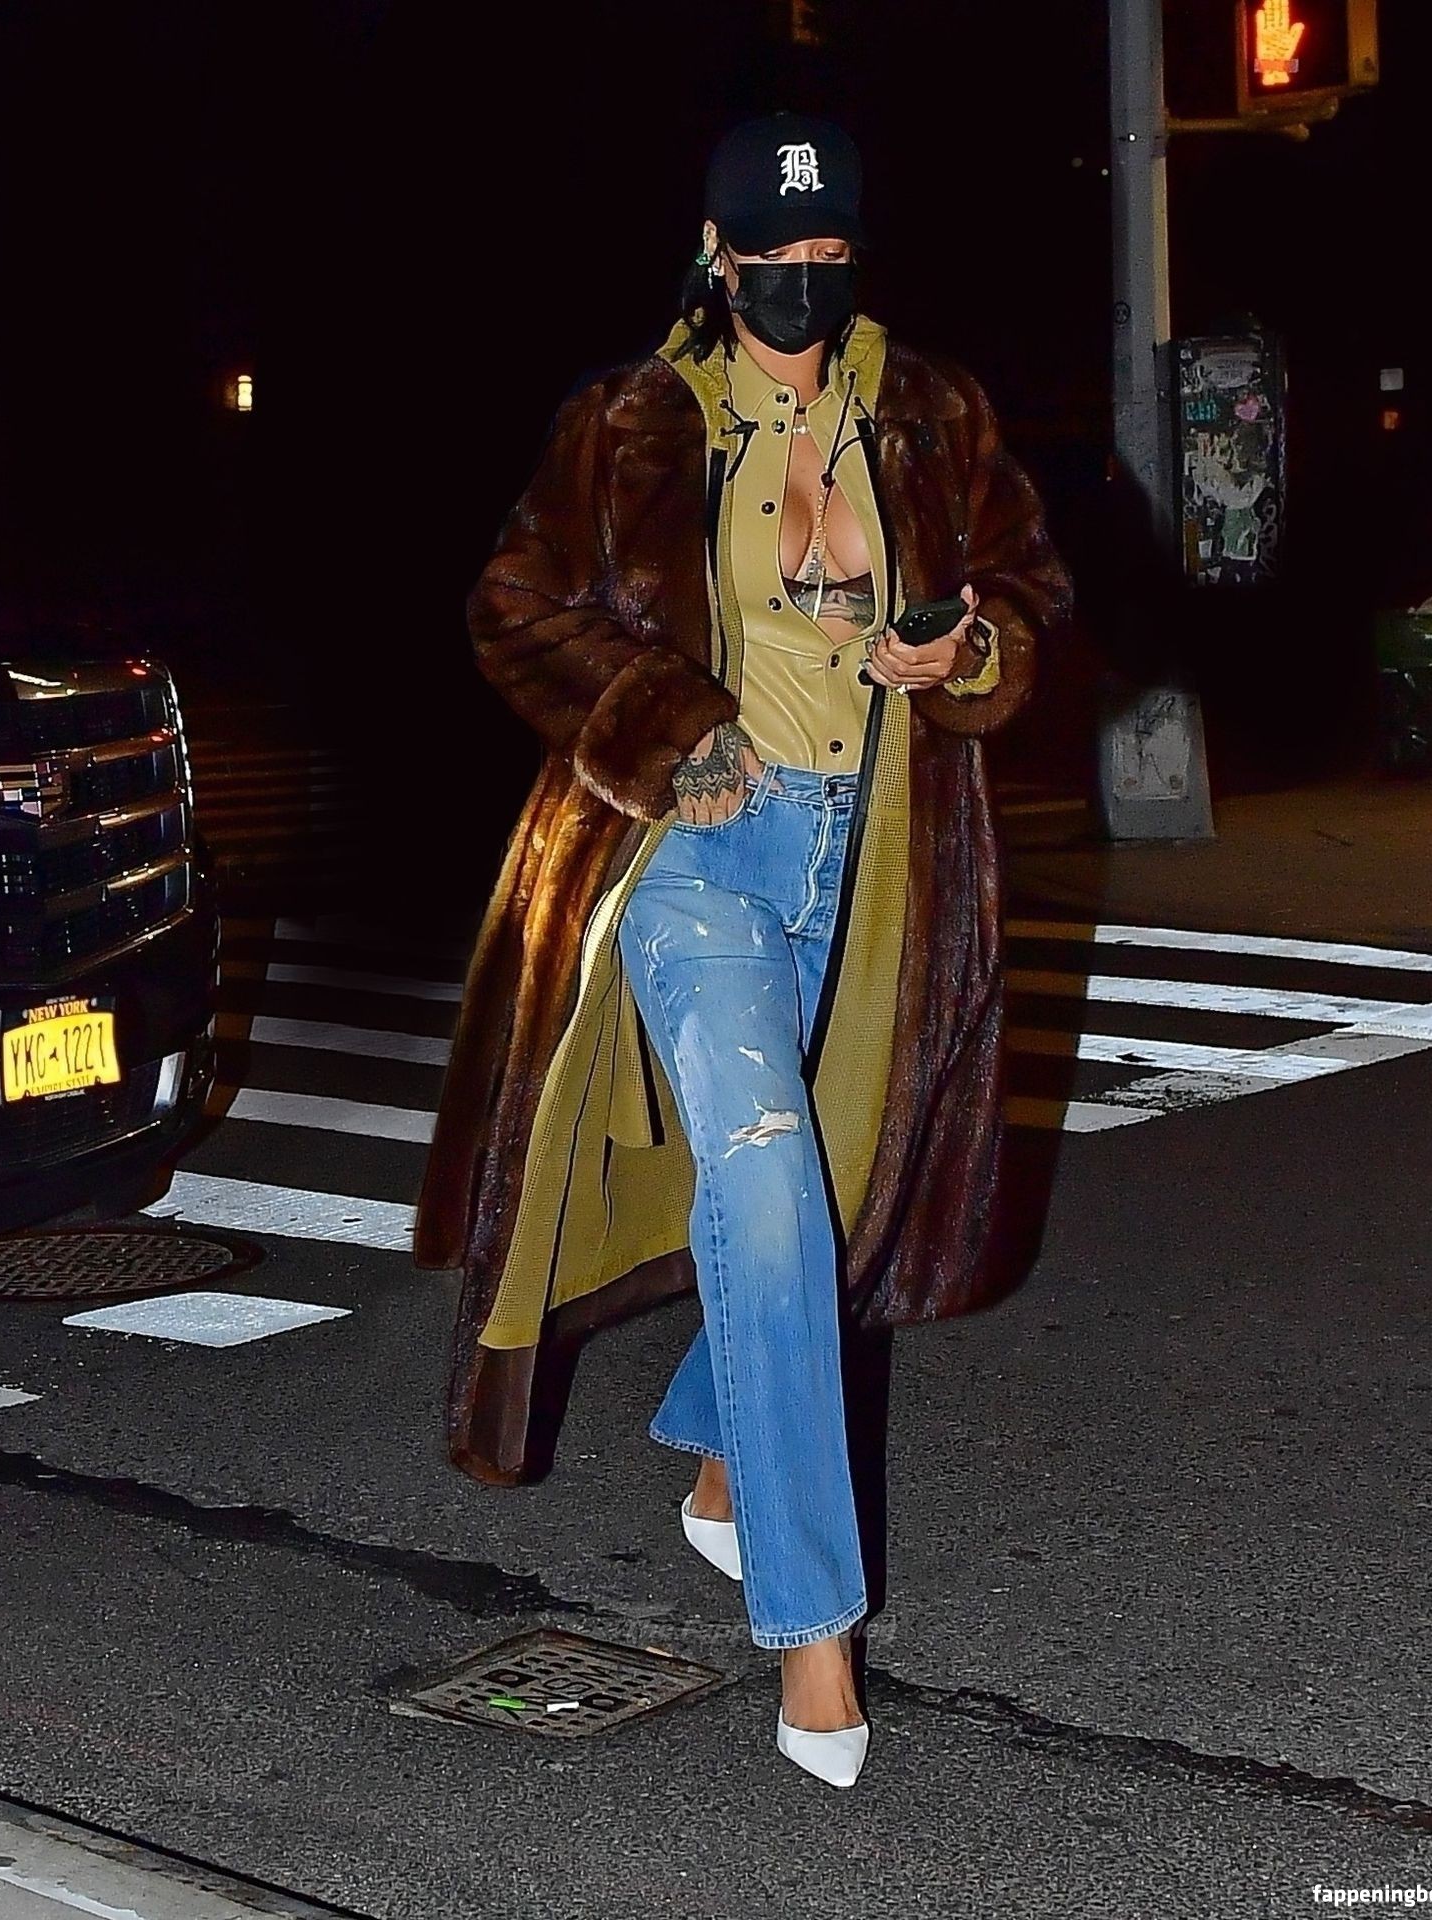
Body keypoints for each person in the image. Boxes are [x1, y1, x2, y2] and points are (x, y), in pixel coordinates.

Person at [412, 110, 1073, 1791]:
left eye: (829, 254)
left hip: (881, 858)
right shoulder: (632, 420)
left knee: (835, 1194)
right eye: (772, 256)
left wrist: (966, 649)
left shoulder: (929, 413)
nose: (801, 282)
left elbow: (1029, 595)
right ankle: (813, 1635)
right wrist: (664, 724)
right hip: (697, 851)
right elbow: (513, 608)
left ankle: (719, 1443)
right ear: (716, 256)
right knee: (769, 1183)